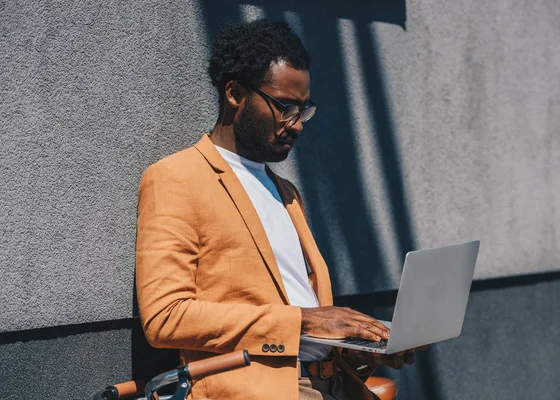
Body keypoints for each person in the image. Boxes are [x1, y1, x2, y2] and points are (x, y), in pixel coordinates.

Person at [136, 19, 425, 400]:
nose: (297, 125)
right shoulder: (176, 178)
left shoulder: (285, 192)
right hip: (259, 390)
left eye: (303, 110)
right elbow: (166, 317)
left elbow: (304, 322)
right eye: (284, 107)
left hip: (332, 383)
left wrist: (359, 341)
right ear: (236, 93)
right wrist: (307, 321)